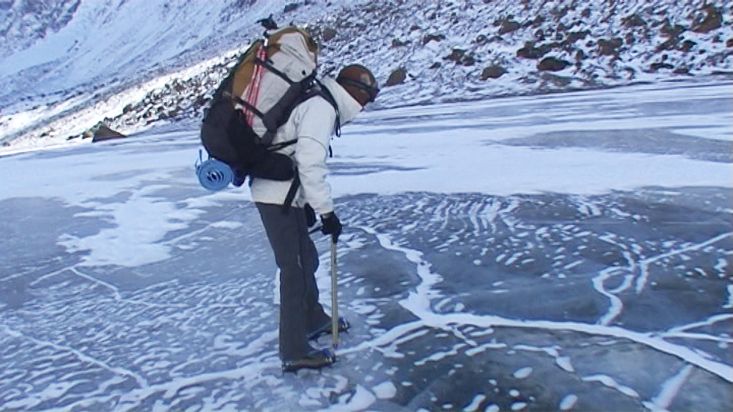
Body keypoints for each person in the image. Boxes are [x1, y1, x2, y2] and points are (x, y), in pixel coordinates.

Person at [250, 64, 379, 372]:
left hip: (286, 194)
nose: (364, 106)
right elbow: (310, 163)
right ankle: (294, 351)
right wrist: (326, 212)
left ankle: (312, 319)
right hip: (275, 197)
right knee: (293, 271)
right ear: (354, 93)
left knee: (306, 259)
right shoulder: (321, 108)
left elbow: (296, 156)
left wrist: (305, 203)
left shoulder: (320, 101)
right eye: (367, 98)